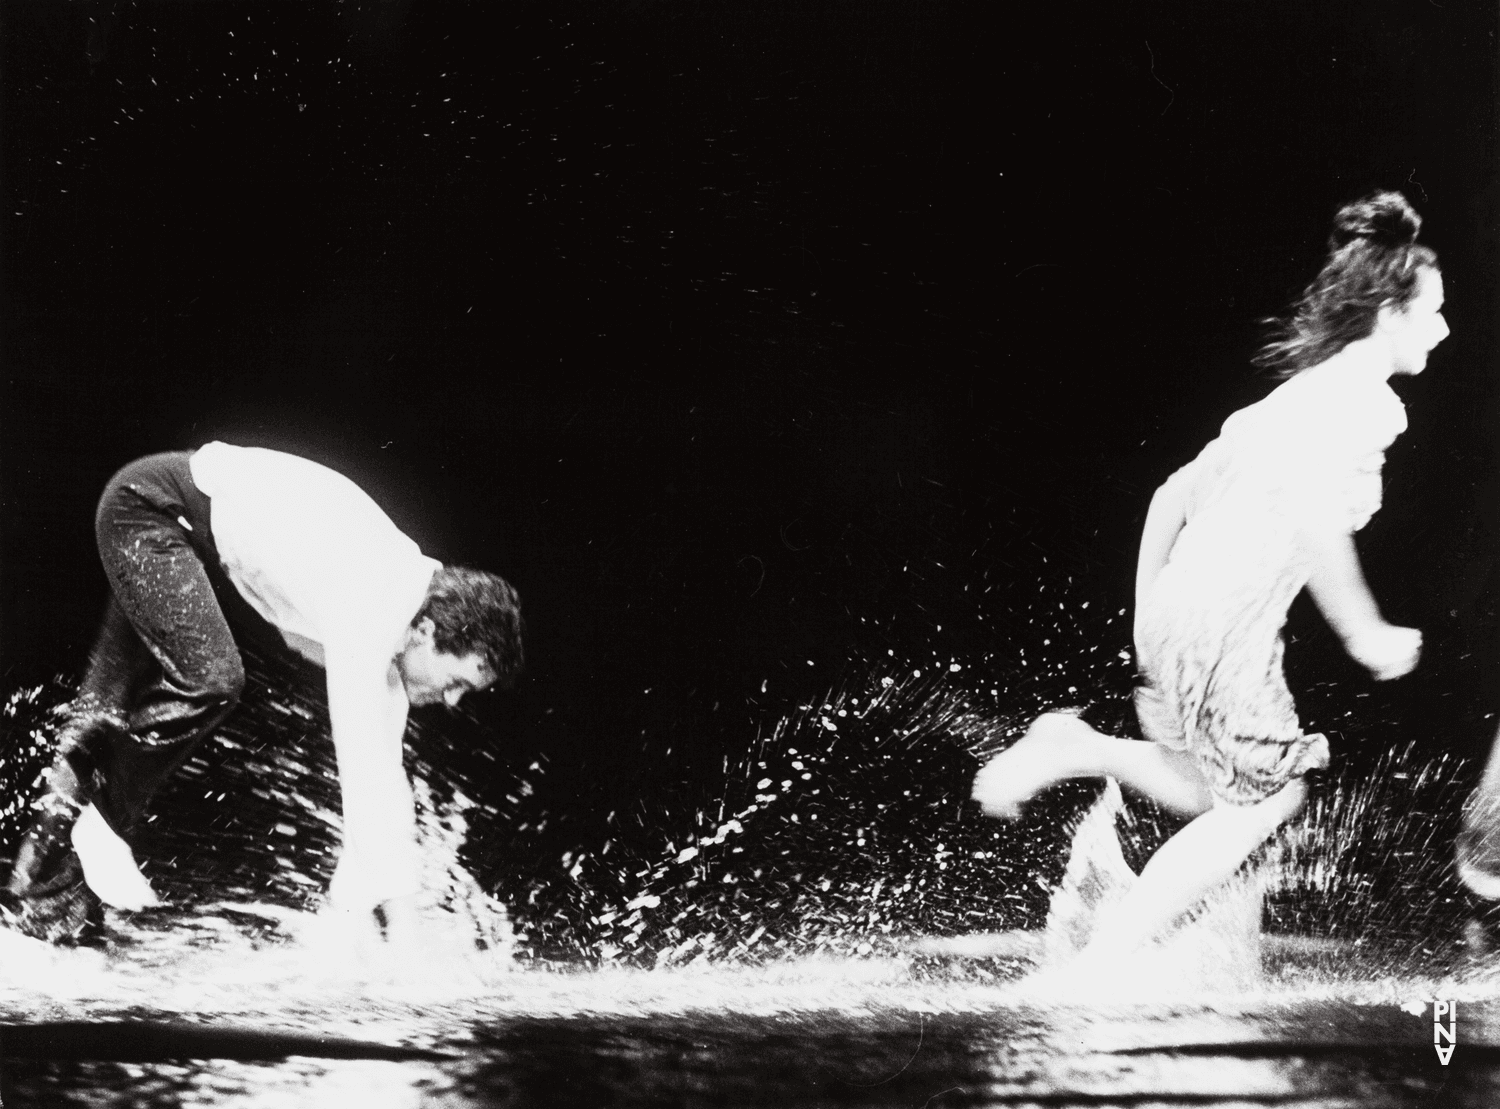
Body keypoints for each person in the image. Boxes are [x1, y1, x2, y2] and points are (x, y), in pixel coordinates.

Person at [972, 191, 1449, 969]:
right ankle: (1105, 965)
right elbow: (1311, 514)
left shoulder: (1280, 402)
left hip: (1177, 606)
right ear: (1389, 311)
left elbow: (1171, 494)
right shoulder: (1369, 405)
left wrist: (1145, 617)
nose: (1444, 327)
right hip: (1226, 625)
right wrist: (1363, 628)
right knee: (1273, 792)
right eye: (1432, 311)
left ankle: (1077, 743)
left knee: (1216, 787)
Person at [0, 442, 525, 946]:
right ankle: (99, 829)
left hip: (179, 537)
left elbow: (384, 780)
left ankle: (33, 912)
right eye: (458, 680)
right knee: (213, 682)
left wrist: (344, 920)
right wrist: (407, 936)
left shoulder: (398, 612)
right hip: (149, 512)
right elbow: (364, 778)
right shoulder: (375, 600)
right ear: (430, 633)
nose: (453, 700)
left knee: (101, 718)